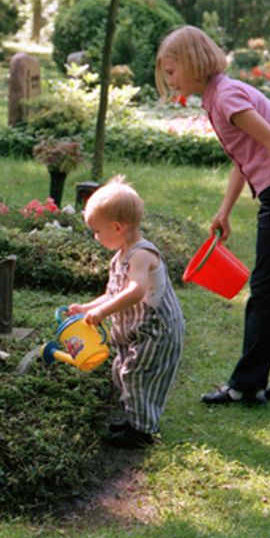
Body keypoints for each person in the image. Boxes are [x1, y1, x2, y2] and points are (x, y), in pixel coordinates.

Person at [155, 25, 270, 407]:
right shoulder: (219, 96)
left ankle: (245, 385)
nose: (169, 79)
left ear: (195, 64)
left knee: (266, 292)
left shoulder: (226, 97)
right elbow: (244, 157)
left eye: (171, 70)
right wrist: (224, 210)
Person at [67, 176, 185, 448]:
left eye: (97, 231)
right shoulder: (120, 256)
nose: (95, 236)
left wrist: (102, 313)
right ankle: (135, 420)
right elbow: (113, 293)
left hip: (157, 332)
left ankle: (142, 431)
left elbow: (135, 291)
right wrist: (88, 308)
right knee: (122, 370)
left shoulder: (142, 255)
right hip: (138, 333)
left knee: (137, 374)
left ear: (117, 227)